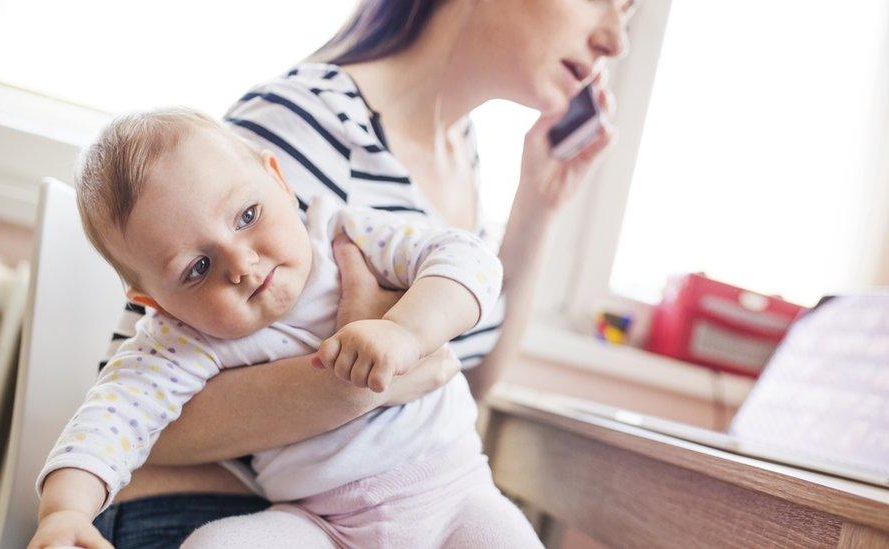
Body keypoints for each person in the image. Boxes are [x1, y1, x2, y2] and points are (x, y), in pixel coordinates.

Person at [84, 0, 632, 546]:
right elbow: (145, 418)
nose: (615, 40)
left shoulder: (461, 154)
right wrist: (366, 378)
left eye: (627, 14)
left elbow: (462, 372)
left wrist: (536, 208)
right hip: (202, 510)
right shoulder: (307, 119)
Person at [29, 107, 540, 548]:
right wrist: (65, 514)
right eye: (198, 268)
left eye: (248, 215)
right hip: (320, 525)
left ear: (278, 179)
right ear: (154, 303)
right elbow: (110, 420)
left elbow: (467, 258)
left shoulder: (346, 234)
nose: (243, 265)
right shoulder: (183, 339)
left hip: (454, 494)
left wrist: (404, 331)